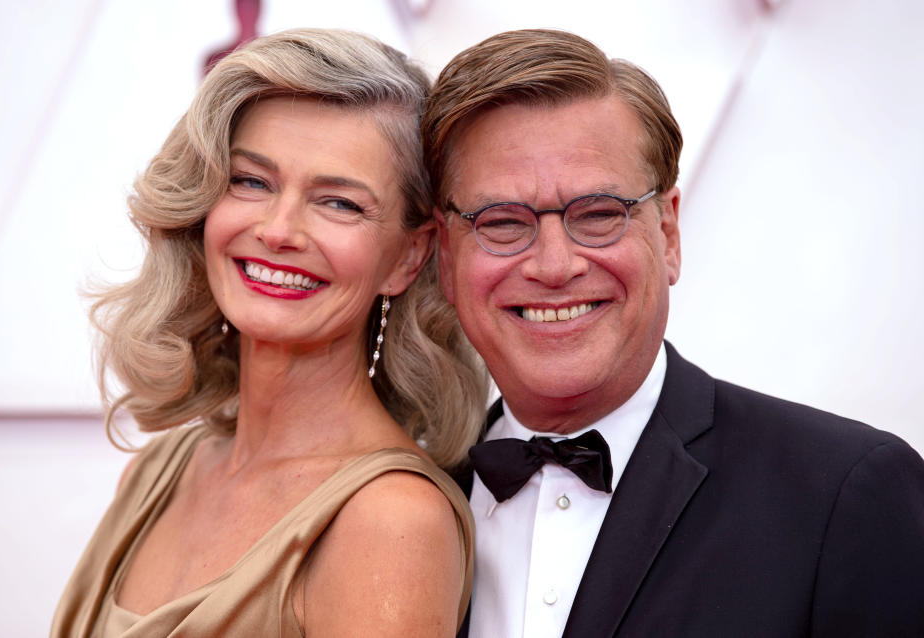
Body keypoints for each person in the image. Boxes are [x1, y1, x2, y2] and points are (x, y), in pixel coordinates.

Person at [422, 28, 924, 638]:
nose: (554, 266)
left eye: (599, 215)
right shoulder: (407, 496)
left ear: (667, 235)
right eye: (501, 223)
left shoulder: (844, 495)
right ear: (446, 258)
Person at [51, 28, 490, 637]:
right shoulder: (156, 471)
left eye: (338, 203)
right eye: (251, 182)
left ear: (407, 259)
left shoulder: (391, 521)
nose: (279, 229)